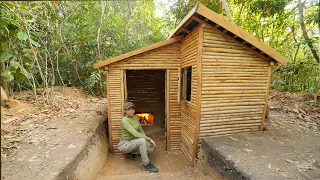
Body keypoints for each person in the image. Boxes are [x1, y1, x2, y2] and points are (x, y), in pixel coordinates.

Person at [117, 102, 159, 173]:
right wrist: (149, 139)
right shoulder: (124, 120)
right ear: (125, 111)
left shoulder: (135, 117)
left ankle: (131, 153)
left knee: (150, 149)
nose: (131, 111)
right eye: (128, 109)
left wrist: (147, 141)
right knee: (142, 141)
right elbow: (135, 133)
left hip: (133, 142)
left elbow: (140, 130)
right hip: (124, 144)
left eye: (132, 109)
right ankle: (146, 164)